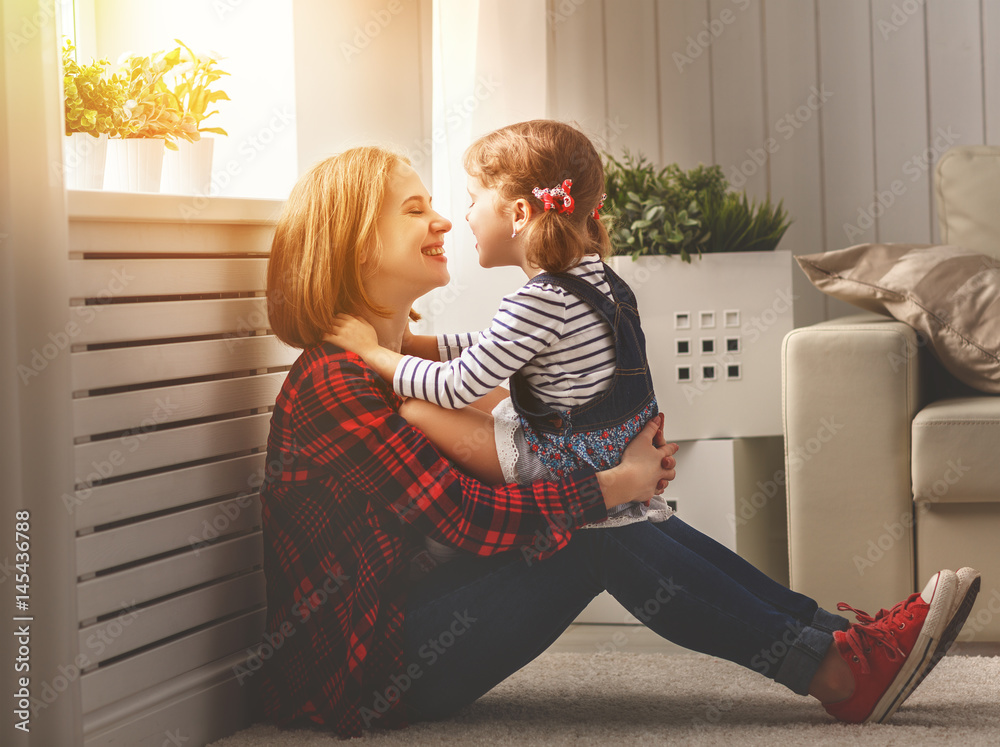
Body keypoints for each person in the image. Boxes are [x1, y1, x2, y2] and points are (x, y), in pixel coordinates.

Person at [255, 143, 980, 738]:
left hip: (413, 624)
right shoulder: (334, 383)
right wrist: (611, 483)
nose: (444, 219)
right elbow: (469, 517)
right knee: (593, 527)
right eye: (415, 209)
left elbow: (485, 384)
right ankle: (836, 671)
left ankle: (835, 638)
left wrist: (618, 473)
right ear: (351, 249)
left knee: (614, 520)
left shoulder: (393, 369)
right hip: (375, 672)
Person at [322, 121, 673, 568]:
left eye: (472, 201)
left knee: (416, 407)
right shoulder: (599, 280)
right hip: (609, 445)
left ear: (521, 215)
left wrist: (378, 354)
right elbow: (496, 348)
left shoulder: (541, 297)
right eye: (415, 211)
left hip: (569, 462)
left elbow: (457, 385)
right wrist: (418, 345)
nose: (457, 218)